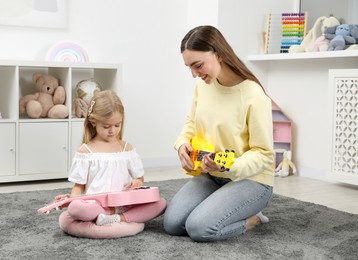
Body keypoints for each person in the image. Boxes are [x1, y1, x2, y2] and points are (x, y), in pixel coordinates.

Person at [163, 25, 274, 242]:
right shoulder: (203, 87)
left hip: (251, 181)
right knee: (172, 224)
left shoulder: (253, 95)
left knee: (199, 228)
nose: (195, 74)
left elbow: (264, 154)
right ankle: (219, 204)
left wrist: (228, 165)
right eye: (190, 68)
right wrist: (182, 144)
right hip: (212, 176)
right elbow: (191, 123)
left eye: (198, 65)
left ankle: (253, 219)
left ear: (219, 54)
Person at [57, 89, 166, 239]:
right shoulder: (85, 151)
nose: (112, 131)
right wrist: (70, 200)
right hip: (96, 206)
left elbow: (140, 179)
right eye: (106, 127)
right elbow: (79, 186)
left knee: (160, 203)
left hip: (124, 205)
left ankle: (116, 218)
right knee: (75, 208)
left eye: (117, 125)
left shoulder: (127, 149)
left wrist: (136, 182)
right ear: (93, 122)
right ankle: (110, 215)